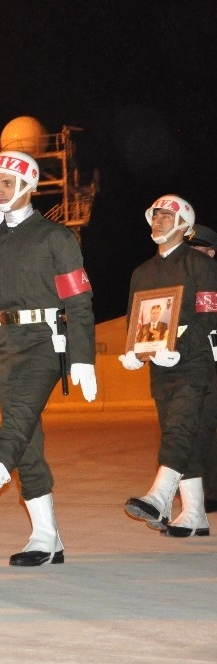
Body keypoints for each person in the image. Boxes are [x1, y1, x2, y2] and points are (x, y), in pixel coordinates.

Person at [0, 150, 97, 567]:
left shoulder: (55, 237)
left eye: (7, 182)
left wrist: (83, 356)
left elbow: (79, 300)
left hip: (44, 342)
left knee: (16, 424)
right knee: (26, 436)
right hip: (4, 344)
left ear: (28, 187)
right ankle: (47, 537)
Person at [120, 196, 217, 537]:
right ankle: (194, 514)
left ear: (183, 224)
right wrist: (132, 351)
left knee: (180, 429)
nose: (157, 221)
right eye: (155, 216)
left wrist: (180, 347)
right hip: (159, 367)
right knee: (176, 432)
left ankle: (159, 497)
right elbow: (136, 320)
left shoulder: (200, 264)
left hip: (194, 363)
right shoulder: (141, 272)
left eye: (165, 216)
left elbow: (209, 317)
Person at [185, 224, 217, 513]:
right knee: (200, 429)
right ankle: (208, 491)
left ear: (211, 252)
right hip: (200, 365)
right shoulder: (183, 287)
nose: (193, 258)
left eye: (199, 252)